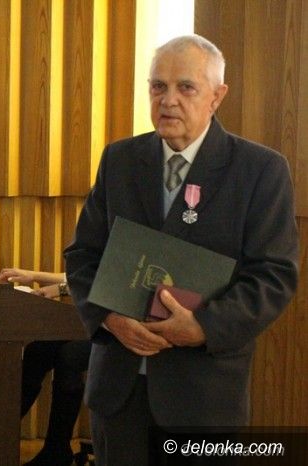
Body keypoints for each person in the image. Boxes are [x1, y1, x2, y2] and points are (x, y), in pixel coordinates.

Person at [64, 35, 299, 466]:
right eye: (158, 86)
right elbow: (82, 257)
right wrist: (110, 319)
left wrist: (203, 326)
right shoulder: (120, 160)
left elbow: (273, 276)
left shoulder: (260, 170)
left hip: (204, 399)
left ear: (217, 96)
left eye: (185, 87)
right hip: (119, 394)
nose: (168, 100)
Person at [0, 268, 91, 466]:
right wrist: (33, 276)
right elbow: (82, 276)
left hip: (127, 327)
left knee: (69, 356)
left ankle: (57, 450)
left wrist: (61, 289)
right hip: (96, 323)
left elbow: (106, 284)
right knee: (37, 351)